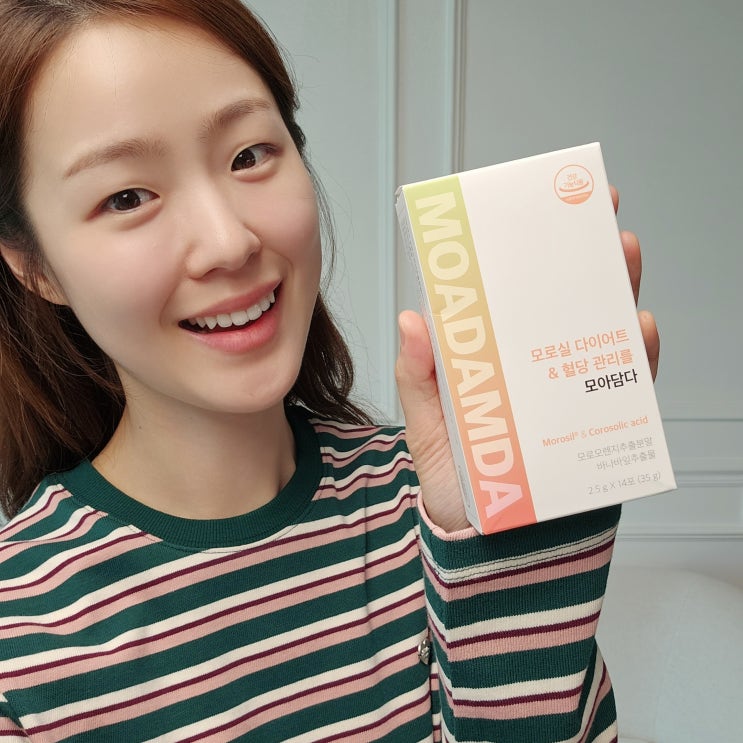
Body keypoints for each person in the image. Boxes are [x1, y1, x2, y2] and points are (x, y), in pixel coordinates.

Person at [0, 1, 660, 740]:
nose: (228, 241)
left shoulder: (441, 504)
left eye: (249, 155)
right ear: (34, 264)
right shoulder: (20, 645)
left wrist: (518, 537)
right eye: (127, 197)